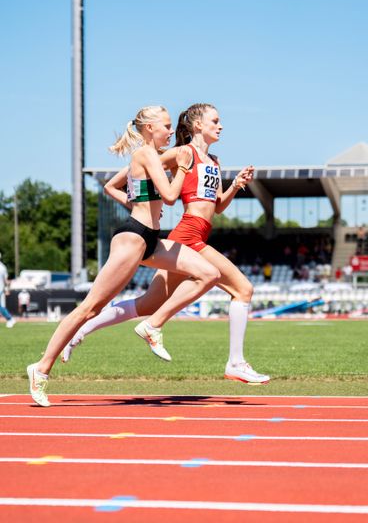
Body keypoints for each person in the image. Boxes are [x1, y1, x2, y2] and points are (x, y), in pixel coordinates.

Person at [63, 103, 270, 385]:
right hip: (188, 235)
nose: (220, 126)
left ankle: (81, 331)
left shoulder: (215, 161)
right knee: (243, 289)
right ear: (198, 125)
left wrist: (235, 186)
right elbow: (129, 175)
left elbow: (217, 206)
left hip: (195, 235)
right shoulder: (181, 153)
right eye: (215, 121)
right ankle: (235, 362)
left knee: (147, 303)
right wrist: (137, 200)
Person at [27, 105, 220, 407]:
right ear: (149, 129)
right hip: (132, 238)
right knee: (89, 308)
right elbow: (170, 195)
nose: (171, 131)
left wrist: (138, 199)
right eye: (166, 126)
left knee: (209, 273)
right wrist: (182, 168)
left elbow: (121, 187)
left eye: (172, 126)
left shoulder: (154, 158)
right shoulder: (144, 154)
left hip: (151, 240)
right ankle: (40, 369)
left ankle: (152, 325)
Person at [0, 253, 16, 328]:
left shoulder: (2, 267)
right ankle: (10, 318)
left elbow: (5, 281)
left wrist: (7, 289)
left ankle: (10, 318)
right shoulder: (3, 267)